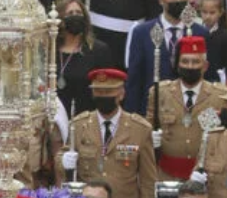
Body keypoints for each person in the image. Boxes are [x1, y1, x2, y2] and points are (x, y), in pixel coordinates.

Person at [63, 69, 157, 198]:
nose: (103, 96)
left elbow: (148, 180)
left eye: (108, 92)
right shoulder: (78, 126)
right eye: (98, 92)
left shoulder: (140, 129)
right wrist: (63, 161)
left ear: (121, 94)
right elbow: (61, 160)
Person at [150, 36, 225, 180]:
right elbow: (148, 126)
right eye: (185, 61)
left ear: (205, 66)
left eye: (195, 62)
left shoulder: (220, 96)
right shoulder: (160, 92)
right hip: (167, 174)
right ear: (177, 65)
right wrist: (150, 138)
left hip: (205, 176)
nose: (190, 66)